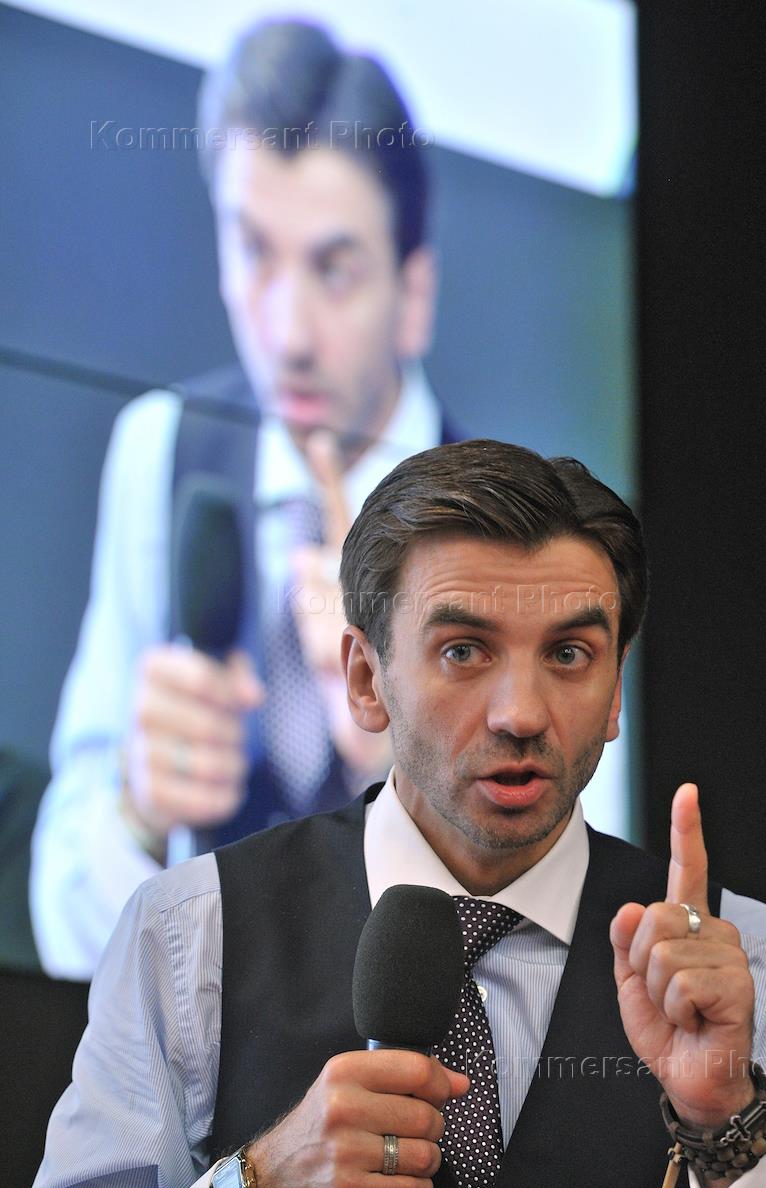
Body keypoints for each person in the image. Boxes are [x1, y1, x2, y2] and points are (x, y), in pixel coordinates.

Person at [30, 441, 766, 1188]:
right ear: (365, 681)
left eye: (569, 654)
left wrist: (728, 1121)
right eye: (463, 651)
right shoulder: (191, 935)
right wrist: (255, 1182)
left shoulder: (757, 969)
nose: (520, 712)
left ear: (614, 693)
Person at [29, 17, 456, 981]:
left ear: (415, 294)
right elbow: (62, 921)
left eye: (334, 269)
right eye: (254, 250)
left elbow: (570, 959)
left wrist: (409, 773)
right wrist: (138, 811)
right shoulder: (159, 450)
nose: (287, 334)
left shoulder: (517, 524)